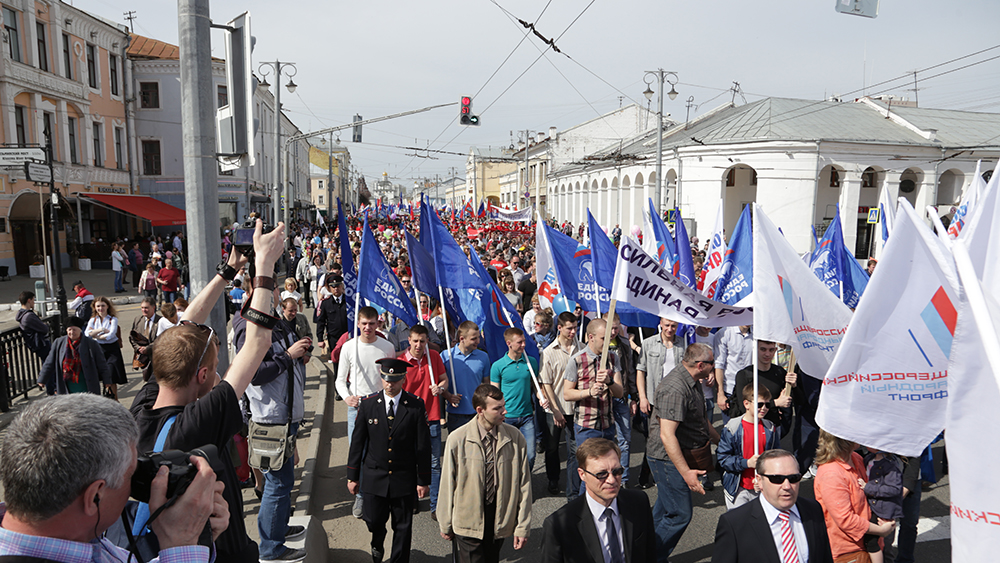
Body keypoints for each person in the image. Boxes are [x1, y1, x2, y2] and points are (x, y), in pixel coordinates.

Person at [130, 218, 287, 563]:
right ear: (202, 375)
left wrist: (229, 270)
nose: (219, 376)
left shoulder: (142, 404)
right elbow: (258, 342)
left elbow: (185, 326)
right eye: (217, 368)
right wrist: (264, 266)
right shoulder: (198, 421)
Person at [0, 393, 225, 563]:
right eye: (131, 475)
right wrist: (181, 544)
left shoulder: (76, 538)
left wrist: (192, 543)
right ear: (95, 496)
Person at [235, 294, 312, 562]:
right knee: (277, 485)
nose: (277, 297)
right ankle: (270, 547)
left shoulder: (274, 322)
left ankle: (279, 529)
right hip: (271, 419)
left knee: (283, 482)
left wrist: (301, 352)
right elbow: (254, 373)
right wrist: (288, 356)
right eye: (270, 291)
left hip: (284, 417)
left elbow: (284, 359)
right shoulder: (250, 326)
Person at [347, 358, 431, 563]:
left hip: (403, 476)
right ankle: (377, 542)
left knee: (403, 526)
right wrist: (352, 476)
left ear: (403, 379)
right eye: (386, 379)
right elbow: (358, 443)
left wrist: (422, 479)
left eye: (394, 380)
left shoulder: (415, 405)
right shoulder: (368, 405)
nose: (389, 384)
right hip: (375, 475)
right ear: (381, 378)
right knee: (374, 520)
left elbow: (422, 445)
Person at [438, 384, 532, 563]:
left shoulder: (515, 437)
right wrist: (445, 522)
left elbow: (524, 485)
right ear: (480, 410)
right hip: (468, 519)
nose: (505, 411)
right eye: (497, 408)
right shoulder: (457, 439)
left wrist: (522, 526)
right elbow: (447, 484)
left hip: (499, 518)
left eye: (504, 406)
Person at [647, 343, 720, 562]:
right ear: (700, 365)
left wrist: (721, 440)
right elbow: (667, 435)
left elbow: (701, 419)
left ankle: (641, 547)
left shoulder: (693, 381)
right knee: (680, 514)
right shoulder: (675, 388)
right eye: (712, 363)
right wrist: (686, 472)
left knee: (663, 510)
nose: (714, 367)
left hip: (680, 455)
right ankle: (651, 557)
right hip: (667, 459)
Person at [541, 437, 657, 563]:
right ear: (582, 474)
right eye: (601, 474)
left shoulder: (638, 502)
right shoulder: (559, 525)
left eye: (617, 471)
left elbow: (649, 553)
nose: (612, 480)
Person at [711, 449, 835, 563]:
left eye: (793, 478)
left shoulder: (813, 509)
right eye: (777, 479)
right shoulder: (734, 524)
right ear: (759, 481)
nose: (787, 486)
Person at [337, 306, 396, 518]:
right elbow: (340, 379)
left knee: (382, 451)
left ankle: (382, 492)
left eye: (372, 324)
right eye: (364, 324)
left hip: (381, 408)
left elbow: (392, 379)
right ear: (358, 324)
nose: (368, 328)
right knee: (358, 452)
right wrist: (346, 397)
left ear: (378, 323)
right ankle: (361, 495)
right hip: (357, 408)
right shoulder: (348, 347)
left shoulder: (387, 347)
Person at [813, 430, 896, 562]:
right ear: (843, 438)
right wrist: (881, 530)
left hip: (870, 544)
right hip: (849, 552)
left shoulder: (856, 458)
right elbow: (845, 519)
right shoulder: (831, 474)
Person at [398, 325, 450, 518]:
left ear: (427, 340)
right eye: (415, 341)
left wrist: (441, 388)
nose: (419, 345)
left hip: (433, 417)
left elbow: (444, 379)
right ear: (409, 341)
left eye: (423, 341)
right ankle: (411, 499)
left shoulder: (434, 358)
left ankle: (435, 505)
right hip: (409, 421)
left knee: (435, 464)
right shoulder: (401, 362)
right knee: (409, 463)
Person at [540, 312, 584, 498]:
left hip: (576, 408)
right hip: (556, 408)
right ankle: (553, 478)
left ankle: (574, 486)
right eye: (569, 328)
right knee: (552, 447)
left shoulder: (582, 348)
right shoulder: (549, 352)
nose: (573, 331)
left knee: (575, 449)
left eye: (575, 328)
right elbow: (546, 384)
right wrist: (556, 410)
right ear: (559, 328)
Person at [564, 318, 624, 449]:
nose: (607, 342)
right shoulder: (577, 360)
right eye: (603, 338)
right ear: (591, 337)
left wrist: (610, 381)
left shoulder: (613, 358)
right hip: (586, 427)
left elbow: (620, 393)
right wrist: (589, 392)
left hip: (608, 425)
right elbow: (567, 394)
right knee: (589, 467)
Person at [490, 328, 543, 472]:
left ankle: (523, 483)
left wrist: (541, 397)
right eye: (520, 342)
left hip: (527, 417)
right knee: (506, 457)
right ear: (509, 343)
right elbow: (494, 394)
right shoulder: (498, 366)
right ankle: (510, 485)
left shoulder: (531, 362)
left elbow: (536, 387)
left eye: (524, 341)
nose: (524, 345)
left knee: (530, 455)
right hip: (506, 418)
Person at [717, 385, 779, 510]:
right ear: (746, 404)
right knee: (739, 525)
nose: (764, 408)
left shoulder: (770, 428)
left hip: (761, 488)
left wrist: (764, 481)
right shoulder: (732, 428)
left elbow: (775, 458)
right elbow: (723, 459)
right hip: (738, 488)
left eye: (768, 405)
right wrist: (747, 463)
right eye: (759, 404)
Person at [729, 340, 798, 438]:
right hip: (750, 430)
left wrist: (794, 386)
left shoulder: (779, 372)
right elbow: (743, 407)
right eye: (763, 349)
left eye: (771, 350)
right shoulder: (744, 375)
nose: (767, 354)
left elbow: (796, 401)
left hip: (773, 428)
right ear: (755, 349)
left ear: (775, 350)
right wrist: (775, 403)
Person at [604, 313, 638, 486]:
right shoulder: (598, 346)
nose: (613, 331)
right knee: (607, 440)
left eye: (616, 328)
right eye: (610, 328)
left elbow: (630, 372)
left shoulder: (624, 344)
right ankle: (607, 474)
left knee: (625, 439)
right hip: (603, 400)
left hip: (622, 397)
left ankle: (623, 479)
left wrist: (633, 397)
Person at [39, 316, 111, 395]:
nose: (72, 332)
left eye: (74, 330)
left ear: (80, 330)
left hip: (85, 382)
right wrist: (42, 379)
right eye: (69, 330)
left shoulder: (91, 344)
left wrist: (107, 380)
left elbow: (102, 363)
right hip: (67, 383)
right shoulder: (59, 343)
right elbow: (49, 362)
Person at [442, 321, 491, 432]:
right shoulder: (446, 356)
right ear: (462, 338)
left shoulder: (483, 357)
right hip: (455, 415)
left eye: (478, 338)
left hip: (478, 414)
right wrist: (448, 396)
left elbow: (487, 385)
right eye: (474, 339)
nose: (478, 341)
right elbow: (439, 383)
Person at [861, 448, 904, 563]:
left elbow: (894, 489)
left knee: (880, 544)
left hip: (884, 510)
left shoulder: (890, 464)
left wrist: (868, 488)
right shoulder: (868, 458)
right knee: (874, 542)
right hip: (873, 506)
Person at [85, 296, 128, 399]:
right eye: (98, 306)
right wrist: (102, 329)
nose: (101, 308)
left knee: (111, 375)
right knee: (99, 376)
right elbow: (87, 334)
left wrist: (95, 334)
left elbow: (111, 335)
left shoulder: (113, 319)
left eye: (103, 305)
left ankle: (114, 398)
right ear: (95, 308)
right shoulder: (93, 320)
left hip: (112, 350)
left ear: (108, 306)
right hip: (98, 349)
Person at [714, 325, 753, 420]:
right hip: (730, 390)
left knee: (750, 429)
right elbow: (719, 365)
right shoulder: (724, 333)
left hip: (751, 389)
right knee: (731, 429)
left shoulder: (757, 334)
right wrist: (720, 394)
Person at [316, 276, 349, 360]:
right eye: (333, 287)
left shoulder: (349, 302)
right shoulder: (326, 303)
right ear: (329, 288)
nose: (336, 289)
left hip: (348, 336)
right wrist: (320, 339)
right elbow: (321, 322)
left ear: (342, 286)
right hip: (334, 337)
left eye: (338, 286)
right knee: (336, 360)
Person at [17, 291, 50, 362]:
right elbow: (45, 329)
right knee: (49, 365)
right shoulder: (29, 316)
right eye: (33, 300)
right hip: (41, 343)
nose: (34, 302)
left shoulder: (22, 314)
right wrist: (45, 325)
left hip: (36, 344)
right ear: (29, 300)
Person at [131, 297, 161, 371]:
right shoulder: (138, 320)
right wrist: (138, 348)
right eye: (142, 307)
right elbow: (132, 337)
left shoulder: (160, 321)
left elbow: (162, 339)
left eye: (146, 308)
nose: (143, 310)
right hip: (143, 358)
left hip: (156, 357)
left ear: (153, 307)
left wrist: (148, 348)